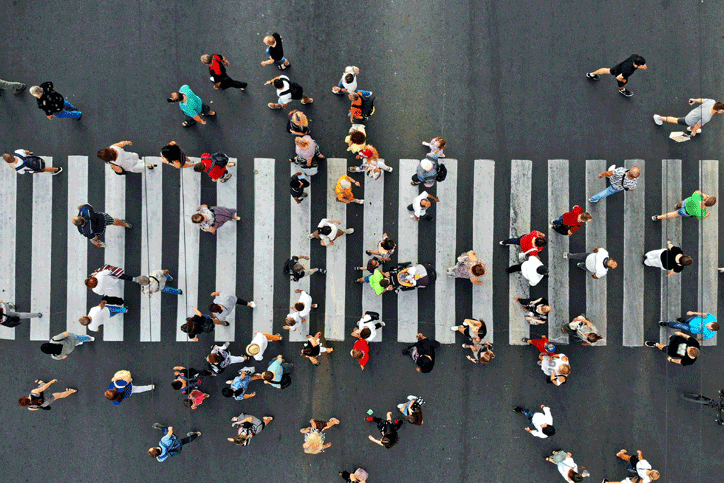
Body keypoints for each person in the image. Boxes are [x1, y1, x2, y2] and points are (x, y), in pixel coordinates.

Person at [653, 98, 724, 136]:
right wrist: (694, 131)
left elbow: (701, 100)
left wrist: (694, 100)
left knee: (694, 123)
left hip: (694, 114)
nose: (722, 112)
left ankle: (690, 128)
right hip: (689, 120)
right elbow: (698, 125)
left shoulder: (712, 101)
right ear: (718, 110)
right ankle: (658, 117)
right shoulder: (707, 117)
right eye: (722, 111)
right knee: (675, 120)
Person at [652, 190, 716, 221]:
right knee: (673, 214)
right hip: (685, 211)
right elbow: (700, 218)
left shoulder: (698, 197)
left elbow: (697, 191)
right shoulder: (702, 212)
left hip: (686, 202)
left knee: (681, 203)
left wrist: (703, 194)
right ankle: (657, 217)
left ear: (707, 198)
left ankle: (677, 206)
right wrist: (707, 215)